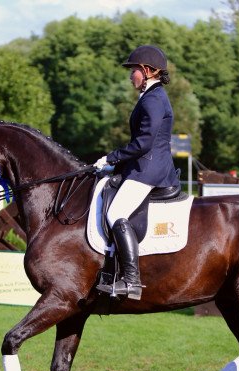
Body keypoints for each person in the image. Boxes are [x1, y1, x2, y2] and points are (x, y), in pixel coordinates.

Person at [94, 45, 180, 301]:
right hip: (142, 166)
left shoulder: (154, 99)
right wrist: (115, 166)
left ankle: (131, 280)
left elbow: (144, 142)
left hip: (149, 170)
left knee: (115, 212)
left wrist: (112, 157)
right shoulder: (150, 96)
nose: (131, 75)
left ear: (147, 71)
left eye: (133, 70)